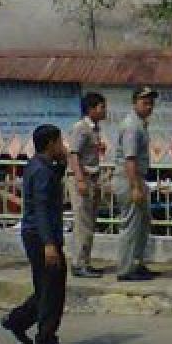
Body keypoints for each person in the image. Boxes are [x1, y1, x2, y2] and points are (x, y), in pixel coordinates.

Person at [0, 124, 73, 344]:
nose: (63, 146)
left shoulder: (40, 165)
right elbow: (41, 208)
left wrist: (64, 161)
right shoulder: (41, 170)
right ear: (51, 143)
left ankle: (18, 320)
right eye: (60, 142)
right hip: (41, 236)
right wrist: (49, 244)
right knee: (52, 289)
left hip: (39, 234)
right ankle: (46, 339)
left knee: (44, 287)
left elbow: (55, 179)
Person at [113, 87, 157, 282]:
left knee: (142, 223)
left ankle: (136, 263)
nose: (149, 106)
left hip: (137, 178)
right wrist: (135, 187)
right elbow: (130, 160)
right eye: (144, 102)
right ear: (134, 103)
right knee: (131, 224)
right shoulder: (132, 126)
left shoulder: (140, 124)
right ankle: (125, 269)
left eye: (150, 103)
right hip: (129, 178)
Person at [67, 92, 108, 278]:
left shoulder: (94, 129)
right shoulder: (81, 128)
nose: (104, 110)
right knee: (82, 222)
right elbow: (73, 154)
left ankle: (85, 261)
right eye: (101, 107)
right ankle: (78, 263)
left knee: (90, 222)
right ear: (91, 109)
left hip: (92, 177)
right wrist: (80, 179)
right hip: (82, 178)